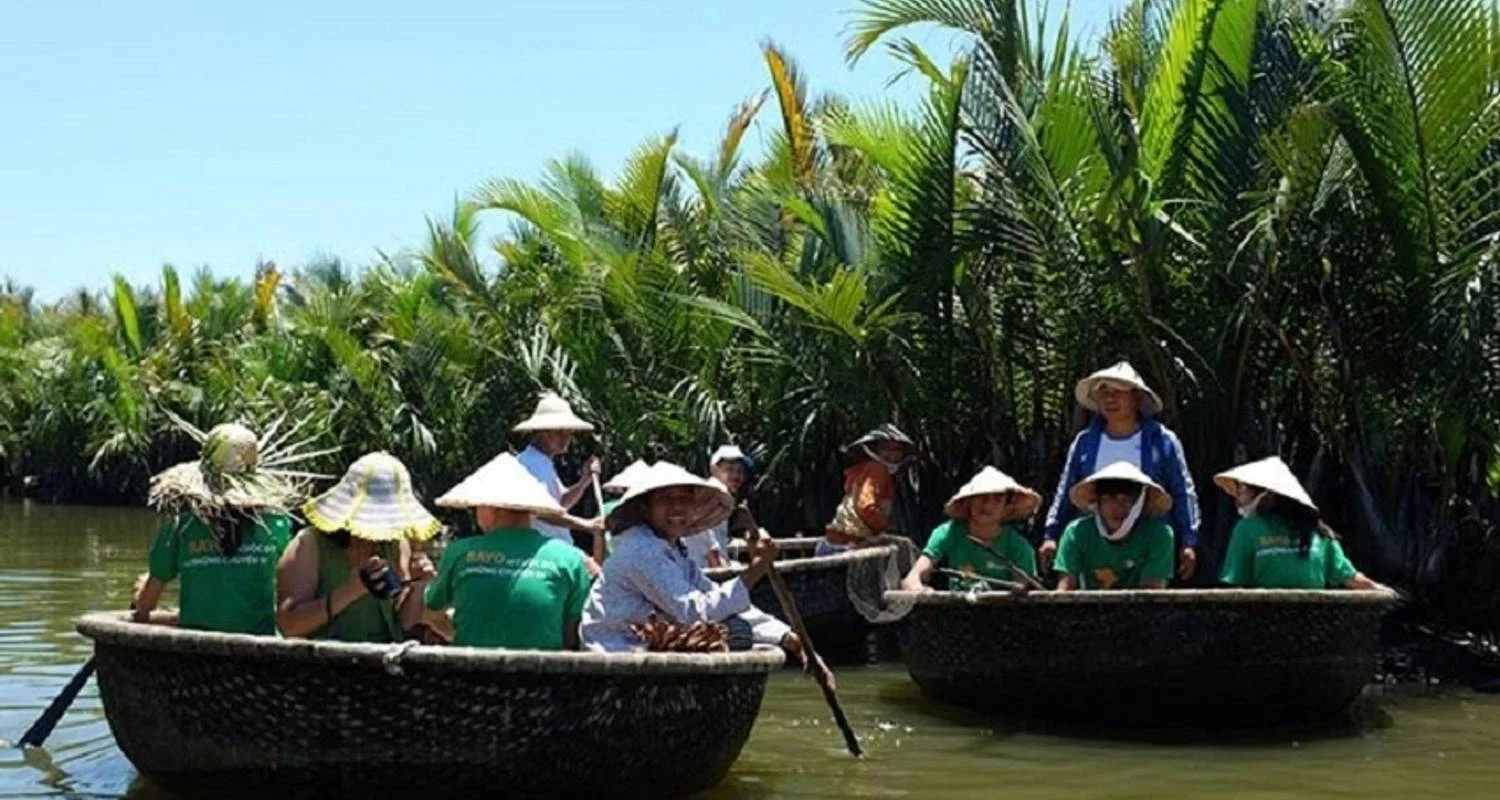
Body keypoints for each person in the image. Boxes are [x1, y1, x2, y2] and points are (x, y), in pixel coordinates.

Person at [579, 462, 824, 673]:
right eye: (665, 499)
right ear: (645, 508)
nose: (676, 508)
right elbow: (695, 612)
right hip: (615, 651)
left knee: (737, 628)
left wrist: (790, 638)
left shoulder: (675, 550)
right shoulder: (642, 549)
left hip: (642, 646)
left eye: (684, 499)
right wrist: (756, 570)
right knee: (735, 634)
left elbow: (713, 596)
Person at [132, 423, 299, 635]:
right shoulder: (277, 524)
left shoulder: (182, 526)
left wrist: (140, 595)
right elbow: (293, 587)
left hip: (195, 645)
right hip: (260, 642)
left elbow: (147, 604)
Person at [1040, 362, 1201, 580]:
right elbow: (1066, 489)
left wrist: (1188, 541)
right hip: (1095, 545)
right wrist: (1052, 534)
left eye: (1117, 392)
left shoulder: (1162, 441)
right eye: (1104, 393)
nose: (1109, 399)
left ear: (1136, 397)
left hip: (1149, 545)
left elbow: (1182, 491)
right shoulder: (1085, 443)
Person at [427, 452, 592, 649]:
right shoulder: (569, 558)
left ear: (491, 508)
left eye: (477, 507)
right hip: (544, 676)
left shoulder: (459, 552)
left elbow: (431, 608)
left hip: (471, 674)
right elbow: (572, 634)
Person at [276, 452, 441, 642]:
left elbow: (404, 621)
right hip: (323, 663)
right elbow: (289, 626)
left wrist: (418, 586)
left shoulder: (396, 543)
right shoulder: (309, 544)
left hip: (382, 660)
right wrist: (350, 590)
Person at [1216, 457, 1387, 590]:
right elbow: (1350, 577)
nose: (1237, 498)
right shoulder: (1321, 531)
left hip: (1263, 626)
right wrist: (1383, 590)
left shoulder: (1246, 530)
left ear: (1267, 494)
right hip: (1314, 629)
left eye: (1242, 489)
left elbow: (1235, 582)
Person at [902, 466, 1039, 591]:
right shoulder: (948, 533)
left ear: (1007, 508)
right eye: (981, 497)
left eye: (997, 499)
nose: (987, 504)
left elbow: (1022, 589)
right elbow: (912, 578)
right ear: (968, 502)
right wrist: (920, 590)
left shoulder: (1019, 547)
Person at [1054, 462, 1176, 590]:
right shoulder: (1076, 532)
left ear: (1139, 503)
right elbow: (1065, 587)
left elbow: (1152, 592)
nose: (1117, 508)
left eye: (1125, 500)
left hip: (1142, 609)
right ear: (1097, 503)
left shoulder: (1159, 534)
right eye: (1108, 500)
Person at [513, 392, 607, 556]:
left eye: (569, 432)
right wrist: (587, 525)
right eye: (560, 432)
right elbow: (541, 511)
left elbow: (561, 504)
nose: (567, 438)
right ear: (544, 432)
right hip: (543, 551)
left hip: (554, 548)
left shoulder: (543, 463)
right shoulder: (531, 464)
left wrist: (584, 481)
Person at [819, 425, 915, 556]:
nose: (892, 454)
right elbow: (866, 506)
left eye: (897, 449)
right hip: (849, 544)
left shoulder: (860, 469)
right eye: (885, 448)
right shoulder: (878, 470)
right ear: (875, 450)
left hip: (835, 542)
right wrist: (884, 528)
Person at [683, 445, 752, 568]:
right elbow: (699, 526)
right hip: (704, 569)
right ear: (714, 469)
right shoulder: (712, 492)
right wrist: (718, 563)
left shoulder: (721, 494)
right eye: (730, 470)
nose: (736, 476)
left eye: (740, 471)